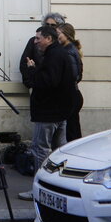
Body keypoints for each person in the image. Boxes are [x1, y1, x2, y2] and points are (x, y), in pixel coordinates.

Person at [17, 25, 76, 201]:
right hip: (59, 112)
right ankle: (59, 189)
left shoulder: (54, 55)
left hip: (48, 113)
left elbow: (48, 82)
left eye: (38, 38)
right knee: (60, 152)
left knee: (40, 151)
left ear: (48, 39)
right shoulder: (59, 54)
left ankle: (39, 190)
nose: (35, 42)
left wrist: (32, 70)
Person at [20, 13, 66, 89]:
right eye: (47, 24)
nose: (49, 27)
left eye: (53, 25)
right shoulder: (34, 41)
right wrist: (30, 82)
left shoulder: (61, 43)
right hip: (37, 86)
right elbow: (24, 63)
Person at [58, 23, 83, 142]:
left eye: (58, 34)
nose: (56, 36)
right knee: (73, 129)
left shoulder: (67, 51)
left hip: (70, 95)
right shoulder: (71, 49)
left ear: (67, 35)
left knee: (71, 133)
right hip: (74, 93)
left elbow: (73, 76)